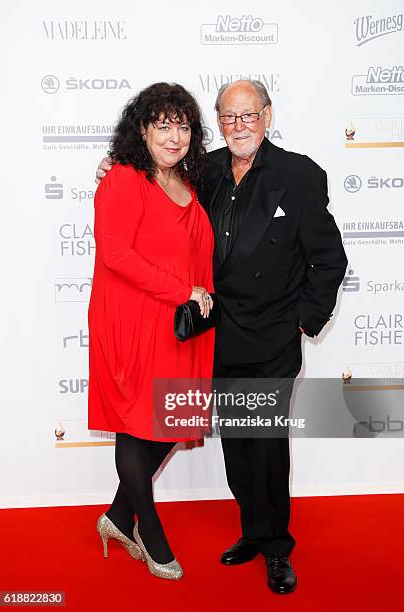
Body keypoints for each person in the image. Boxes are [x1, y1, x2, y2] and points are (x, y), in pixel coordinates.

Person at [96, 79, 348, 594]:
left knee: (268, 448)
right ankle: (250, 533)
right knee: (237, 445)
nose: (239, 126)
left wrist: (303, 320)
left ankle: (277, 548)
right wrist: (109, 167)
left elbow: (330, 258)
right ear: (219, 121)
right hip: (218, 337)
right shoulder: (203, 169)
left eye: (248, 115)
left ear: (267, 116)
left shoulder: (298, 174)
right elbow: (148, 182)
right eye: (228, 117)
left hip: (273, 339)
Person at [88, 82, 215, 581]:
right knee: (137, 424)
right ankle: (150, 530)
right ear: (141, 129)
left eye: (182, 126)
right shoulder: (123, 178)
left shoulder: (189, 179)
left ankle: (118, 517)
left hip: (182, 325)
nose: (174, 135)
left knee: (170, 419)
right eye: (162, 124)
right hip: (136, 321)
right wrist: (181, 289)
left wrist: (192, 295)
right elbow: (116, 254)